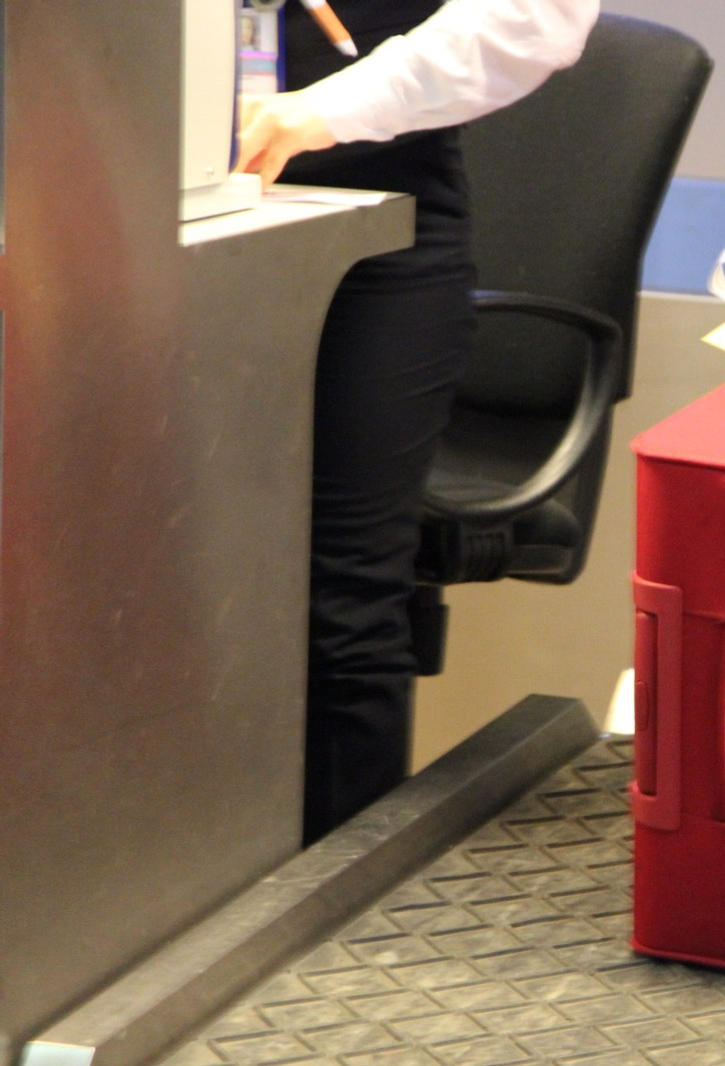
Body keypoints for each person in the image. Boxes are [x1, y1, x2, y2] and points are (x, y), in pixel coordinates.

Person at [236, 0, 600, 844]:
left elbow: (532, 20)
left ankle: (337, 899)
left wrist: (325, 111)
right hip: (160, 215)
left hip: (378, 230)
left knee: (342, 602)